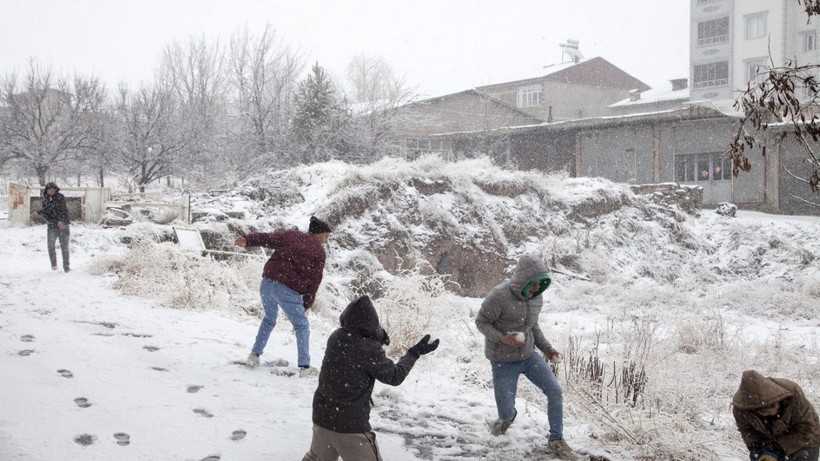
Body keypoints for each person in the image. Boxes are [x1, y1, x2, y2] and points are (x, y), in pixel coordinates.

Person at [303, 295, 439, 461]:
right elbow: (394, 376)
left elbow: (354, 352)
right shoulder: (369, 349)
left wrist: (378, 336)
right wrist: (414, 353)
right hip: (351, 427)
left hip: (322, 419)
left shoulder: (336, 337)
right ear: (373, 323)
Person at [475, 254, 577, 460]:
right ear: (523, 280)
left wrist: (547, 348)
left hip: (529, 356)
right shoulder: (499, 296)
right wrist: (503, 338)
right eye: (533, 284)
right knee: (505, 413)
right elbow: (481, 322)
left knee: (555, 391)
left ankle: (556, 440)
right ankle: (506, 419)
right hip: (502, 360)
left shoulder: (536, 298)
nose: (535, 289)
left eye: (540, 285)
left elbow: (533, 326)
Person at [236, 216, 331, 378]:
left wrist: (247, 239)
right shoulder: (318, 252)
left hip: (267, 282)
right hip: (286, 287)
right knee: (301, 325)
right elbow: (315, 280)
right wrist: (307, 303)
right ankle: (304, 367)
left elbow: (268, 238)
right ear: (319, 233)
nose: (327, 241)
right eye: (326, 236)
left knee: (269, 319)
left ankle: (254, 355)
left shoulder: (291, 235)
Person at [732, 370, 820, 461]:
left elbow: (806, 430)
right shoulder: (741, 409)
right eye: (765, 411)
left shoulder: (793, 393)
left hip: (806, 439)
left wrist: (779, 447)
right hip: (769, 441)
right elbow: (747, 430)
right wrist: (755, 446)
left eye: (774, 404)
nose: (774, 410)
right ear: (755, 410)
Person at [36, 182, 71, 272]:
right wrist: (55, 222)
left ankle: (66, 266)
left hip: (63, 225)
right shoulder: (45, 200)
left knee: (65, 247)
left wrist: (62, 222)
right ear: (46, 190)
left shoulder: (60, 197)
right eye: (49, 189)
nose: (52, 190)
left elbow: (62, 210)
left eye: (53, 189)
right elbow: (46, 215)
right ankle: (54, 265)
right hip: (52, 226)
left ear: (56, 189)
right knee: (51, 246)